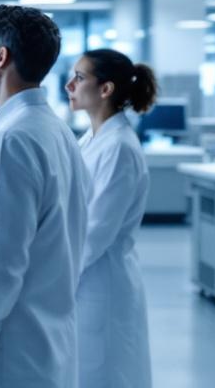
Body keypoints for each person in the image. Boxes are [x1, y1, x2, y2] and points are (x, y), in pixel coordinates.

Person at [0, 4, 90, 388]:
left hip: (6, 358)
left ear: (2, 57)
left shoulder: (13, 141)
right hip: (44, 350)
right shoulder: (56, 133)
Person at [65, 49, 156, 388]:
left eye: (79, 78)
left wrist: (49, 276)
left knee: (105, 372)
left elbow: (95, 234)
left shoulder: (119, 147)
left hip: (101, 281)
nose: (69, 85)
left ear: (105, 89)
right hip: (86, 279)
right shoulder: (92, 139)